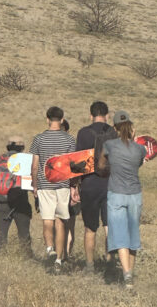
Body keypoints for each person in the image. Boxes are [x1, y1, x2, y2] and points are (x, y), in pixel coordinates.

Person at [97, 110, 147, 288]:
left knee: (119, 235)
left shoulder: (109, 145)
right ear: (131, 128)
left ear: (115, 127)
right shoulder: (140, 148)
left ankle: (126, 275)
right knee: (133, 234)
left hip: (116, 193)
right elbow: (139, 163)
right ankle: (130, 275)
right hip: (135, 194)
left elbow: (100, 166)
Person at [30, 106, 75, 271]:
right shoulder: (70, 140)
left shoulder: (38, 139)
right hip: (63, 185)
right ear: (62, 120)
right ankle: (58, 259)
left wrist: (34, 185)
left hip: (44, 185)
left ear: (47, 119)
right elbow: (73, 166)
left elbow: (34, 166)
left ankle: (49, 249)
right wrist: (74, 186)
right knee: (61, 222)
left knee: (47, 220)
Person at [75, 101, 117, 273]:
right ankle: (110, 261)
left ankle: (90, 265)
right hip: (111, 184)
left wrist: (75, 186)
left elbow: (77, 164)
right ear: (107, 116)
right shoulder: (113, 133)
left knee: (90, 228)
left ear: (90, 115)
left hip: (89, 185)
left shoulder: (83, 133)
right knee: (109, 226)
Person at [0, 136, 32, 256]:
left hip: (1, 202)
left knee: (1, 233)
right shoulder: (26, 161)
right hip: (20, 202)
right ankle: (26, 257)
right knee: (24, 233)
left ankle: (0, 256)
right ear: (22, 147)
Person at [61, 119, 80, 260]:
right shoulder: (73, 145)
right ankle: (67, 254)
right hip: (71, 188)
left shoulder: (49, 145)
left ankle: (59, 254)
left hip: (55, 190)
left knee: (58, 223)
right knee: (69, 225)